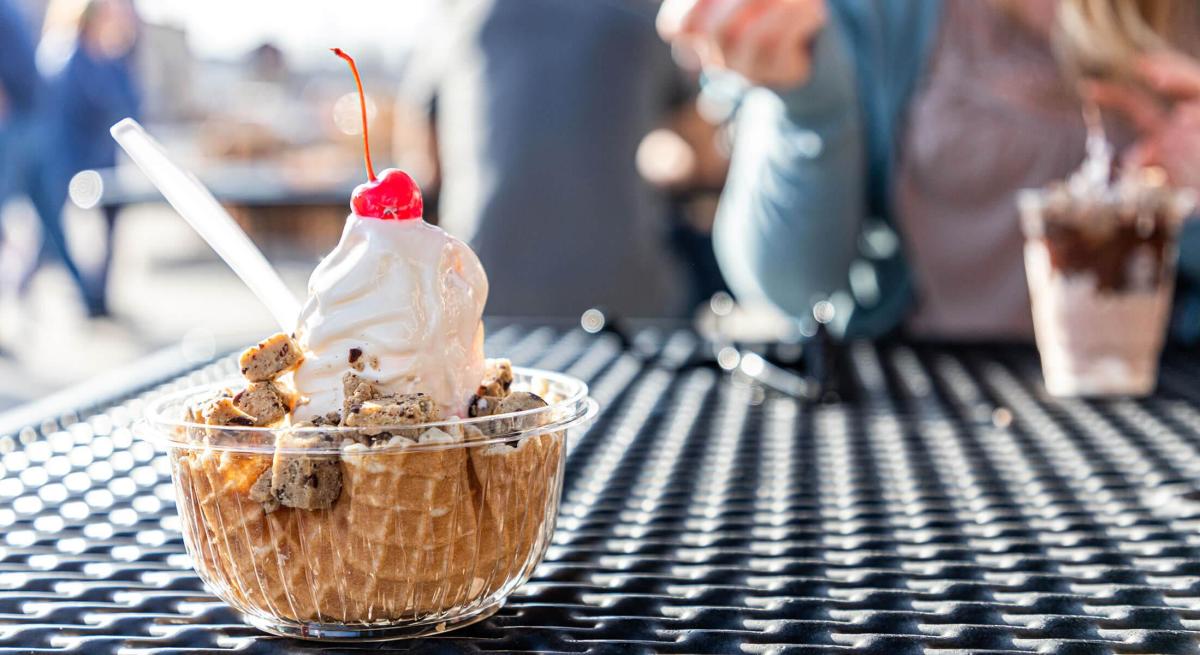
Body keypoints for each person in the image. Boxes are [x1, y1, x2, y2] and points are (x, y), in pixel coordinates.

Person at [657, 0, 1200, 340]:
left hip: (1151, 412)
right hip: (913, 413)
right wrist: (808, 108)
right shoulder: (866, 15)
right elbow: (788, 287)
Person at [402, 0, 692, 318]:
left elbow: (423, 169)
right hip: (629, 303)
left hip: (479, 298)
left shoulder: (460, 18)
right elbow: (698, 156)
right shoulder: (646, 16)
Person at [38, 0, 141, 316]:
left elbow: (131, 107)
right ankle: (80, 295)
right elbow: (60, 117)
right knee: (56, 237)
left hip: (105, 162)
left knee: (109, 232)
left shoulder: (112, 61)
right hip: (74, 163)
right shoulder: (66, 59)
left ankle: (99, 298)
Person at [0, 0, 100, 316]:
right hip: (26, 124)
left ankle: (88, 297)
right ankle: (88, 298)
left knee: (50, 222)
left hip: (22, 125)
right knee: (49, 221)